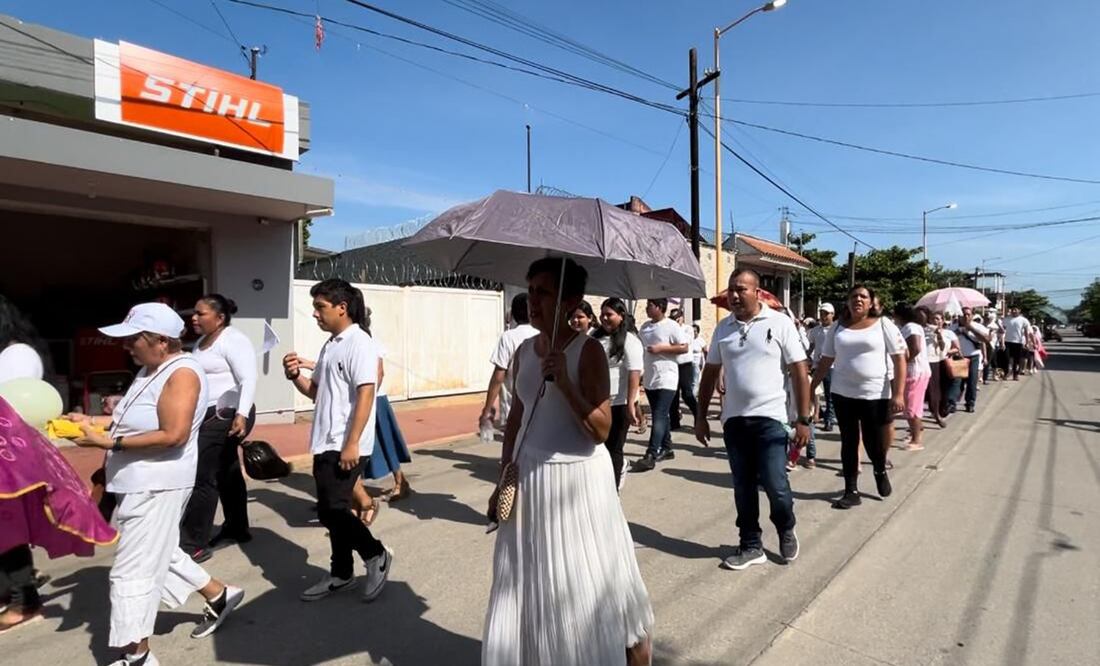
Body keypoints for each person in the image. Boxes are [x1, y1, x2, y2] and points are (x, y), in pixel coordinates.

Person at [483, 257, 652, 665]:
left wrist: (564, 384)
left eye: (543, 292)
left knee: (584, 583)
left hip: (576, 484)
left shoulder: (588, 351)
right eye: (532, 291)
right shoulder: (524, 349)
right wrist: (504, 477)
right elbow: (518, 418)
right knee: (531, 586)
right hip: (529, 483)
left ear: (570, 300)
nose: (533, 300)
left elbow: (599, 430)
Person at [71, 303, 244, 665]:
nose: (126, 345)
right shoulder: (153, 368)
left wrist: (110, 444)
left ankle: (137, 656)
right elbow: (137, 419)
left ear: (161, 341)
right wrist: (91, 421)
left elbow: (174, 434)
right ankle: (219, 594)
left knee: (131, 573)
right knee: (160, 552)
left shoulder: (181, 374)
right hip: (139, 482)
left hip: (157, 485)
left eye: (134, 338)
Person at [283, 280, 393, 603]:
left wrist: (352, 442)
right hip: (324, 440)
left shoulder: (360, 342)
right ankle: (342, 572)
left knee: (332, 511)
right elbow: (316, 392)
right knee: (334, 508)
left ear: (341, 308)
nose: (315, 314)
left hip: (346, 442)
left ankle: (376, 555)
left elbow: (366, 392)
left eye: (321, 307)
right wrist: (295, 377)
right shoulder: (331, 345)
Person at [696, 269, 811, 570]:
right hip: (735, 421)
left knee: (776, 483)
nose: (734, 295)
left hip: (770, 419)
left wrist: (804, 418)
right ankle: (750, 545)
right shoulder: (723, 329)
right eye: (731, 290)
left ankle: (785, 526)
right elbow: (709, 375)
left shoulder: (780, 323)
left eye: (741, 289)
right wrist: (700, 416)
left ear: (757, 292)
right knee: (743, 486)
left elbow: (799, 370)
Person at [810, 285, 906, 510]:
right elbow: (826, 360)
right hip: (843, 393)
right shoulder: (837, 328)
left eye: (863, 296)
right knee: (849, 441)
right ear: (847, 301)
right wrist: (811, 386)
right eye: (854, 296)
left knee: (874, 442)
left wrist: (899, 393)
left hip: (876, 394)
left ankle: (879, 469)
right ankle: (851, 490)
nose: (858, 300)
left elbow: (899, 359)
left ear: (871, 302)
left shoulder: (883, 325)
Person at [180, 295, 257, 563]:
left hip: (229, 413)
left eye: (200, 313)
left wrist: (242, 415)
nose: (194, 317)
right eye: (194, 313)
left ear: (219, 317)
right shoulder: (201, 343)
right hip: (209, 414)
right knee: (227, 471)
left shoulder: (233, 340)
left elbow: (248, 378)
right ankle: (237, 527)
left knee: (204, 476)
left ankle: (193, 543)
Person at [0, 295, 49, 631]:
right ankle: (11, 590)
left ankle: (23, 598)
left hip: (10, 454)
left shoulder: (17, 354)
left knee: (8, 526)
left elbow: (13, 408)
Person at [632, 298, 690, 472]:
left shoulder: (672, 326)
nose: (646, 309)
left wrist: (661, 349)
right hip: (650, 377)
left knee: (658, 414)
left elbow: (684, 347)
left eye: (649, 305)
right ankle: (667, 447)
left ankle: (651, 453)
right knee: (662, 415)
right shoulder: (645, 327)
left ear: (659, 307)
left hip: (667, 376)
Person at [592, 297, 644, 489]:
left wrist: (631, 404)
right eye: (602, 314)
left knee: (613, 448)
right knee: (596, 448)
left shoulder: (630, 341)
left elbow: (634, 373)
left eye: (609, 314)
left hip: (618, 403)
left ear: (621, 316)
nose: (604, 318)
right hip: (596, 402)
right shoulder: (594, 337)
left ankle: (612, 488)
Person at [363, 308, 412, 502]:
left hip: (373, 398)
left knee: (385, 440)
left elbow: (379, 372)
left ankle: (400, 481)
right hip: (364, 399)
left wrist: (367, 397)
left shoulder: (369, 341)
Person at [480, 294, 539, 429]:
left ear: (512, 313)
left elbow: (498, 375)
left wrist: (488, 408)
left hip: (512, 408)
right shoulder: (541, 334)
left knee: (513, 446)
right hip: (538, 408)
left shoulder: (508, 337)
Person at [895, 304, 931, 450]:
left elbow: (915, 348)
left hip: (915, 371)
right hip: (913, 371)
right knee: (911, 406)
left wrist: (903, 361)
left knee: (912, 407)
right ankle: (914, 433)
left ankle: (916, 440)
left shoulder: (911, 327)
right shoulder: (909, 327)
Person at [950, 307, 990, 414]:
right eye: (963, 314)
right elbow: (948, 340)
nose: (966, 316)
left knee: (972, 381)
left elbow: (986, 339)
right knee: (956, 382)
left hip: (973, 356)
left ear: (972, 316)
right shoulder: (953, 327)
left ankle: (970, 403)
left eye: (968, 314)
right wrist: (959, 331)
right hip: (958, 357)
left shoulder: (977, 326)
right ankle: (951, 403)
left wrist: (970, 328)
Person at [667, 308, 700, 432]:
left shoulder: (688, 329)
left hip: (685, 364)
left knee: (687, 393)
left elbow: (683, 343)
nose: (675, 321)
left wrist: (677, 328)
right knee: (673, 394)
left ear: (681, 318)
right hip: (673, 364)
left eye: (677, 318)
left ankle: (698, 415)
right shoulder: (670, 328)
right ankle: (674, 421)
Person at [924, 311, 959, 425]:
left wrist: (939, 335)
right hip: (930, 362)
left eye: (939, 319)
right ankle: (935, 412)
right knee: (933, 390)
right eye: (934, 318)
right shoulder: (925, 331)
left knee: (944, 389)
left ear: (943, 320)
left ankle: (941, 409)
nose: (937, 321)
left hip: (944, 361)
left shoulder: (949, 333)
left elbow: (955, 348)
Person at [807, 303, 836, 432]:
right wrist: (806, 358)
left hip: (832, 366)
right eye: (822, 314)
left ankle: (829, 420)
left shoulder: (836, 329)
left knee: (830, 394)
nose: (823, 316)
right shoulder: (815, 331)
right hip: (816, 365)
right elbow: (811, 347)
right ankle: (817, 413)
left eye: (826, 314)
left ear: (832, 315)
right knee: (813, 391)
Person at [1003, 307, 1031, 381]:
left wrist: (1027, 342)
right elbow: (1003, 330)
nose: (1014, 311)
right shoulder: (1006, 319)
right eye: (1013, 310)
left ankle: (1015, 375)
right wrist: (1001, 341)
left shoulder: (1023, 320)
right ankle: (1006, 373)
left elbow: (1026, 332)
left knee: (1016, 360)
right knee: (1006, 358)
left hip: (1018, 342)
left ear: (1019, 310)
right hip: (1007, 341)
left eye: (1016, 309)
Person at [690, 323, 708, 394]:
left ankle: (693, 397)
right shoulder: (689, 339)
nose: (694, 333)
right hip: (688, 362)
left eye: (695, 331)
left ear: (698, 332)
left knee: (695, 380)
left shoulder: (701, 341)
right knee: (690, 381)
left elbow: (705, 352)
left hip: (697, 363)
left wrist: (706, 362)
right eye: (692, 331)